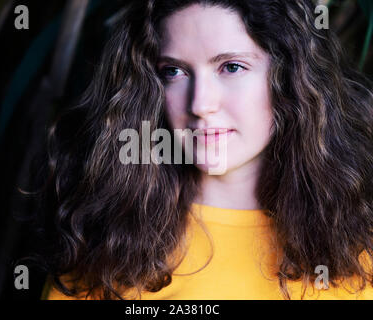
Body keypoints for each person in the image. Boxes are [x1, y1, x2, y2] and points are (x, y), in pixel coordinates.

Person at [40, 0, 373, 300]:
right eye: (174, 72)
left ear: (289, 78)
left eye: (231, 67)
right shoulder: (105, 253)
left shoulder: (358, 259)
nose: (200, 104)